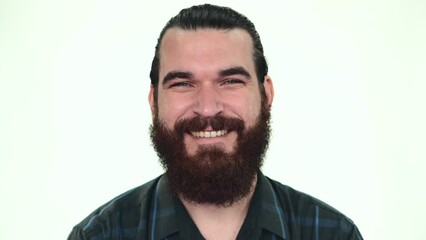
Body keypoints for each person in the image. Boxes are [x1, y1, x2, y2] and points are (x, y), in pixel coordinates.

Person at [67, 4, 363, 240]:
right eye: (183, 83)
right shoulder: (100, 236)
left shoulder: (331, 233)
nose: (207, 108)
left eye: (231, 81)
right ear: (154, 102)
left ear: (266, 94)